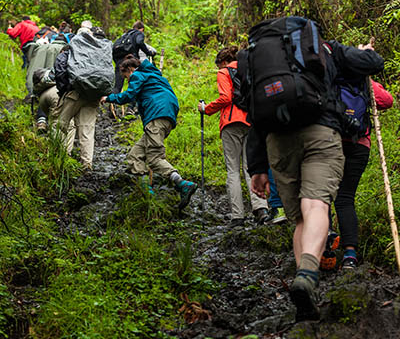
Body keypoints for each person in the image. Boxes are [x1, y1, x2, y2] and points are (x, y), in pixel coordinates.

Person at [247, 37, 384, 322]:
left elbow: (256, 111)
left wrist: (256, 165)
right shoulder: (329, 52)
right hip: (331, 135)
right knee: (322, 204)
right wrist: (365, 54)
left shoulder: (270, 65)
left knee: (301, 217)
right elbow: (379, 80)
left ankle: (305, 285)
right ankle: (324, 265)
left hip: (281, 139)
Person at [100, 55, 197, 210]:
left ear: (129, 70)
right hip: (167, 118)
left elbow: (128, 95)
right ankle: (147, 194)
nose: (127, 79)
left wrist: (109, 98)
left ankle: (182, 183)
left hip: (156, 116)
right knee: (135, 155)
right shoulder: (155, 76)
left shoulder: (137, 75)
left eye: (126, 77)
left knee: (154, 158)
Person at [198, 46, 280, 228]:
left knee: (233, 169)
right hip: (251, 122)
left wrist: (206, 109)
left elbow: (226, 98)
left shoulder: (224, 72)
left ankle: (238, 216)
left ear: (223, 62)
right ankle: (261, 209)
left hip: (231, 122)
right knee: (251, 167)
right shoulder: (249, 70)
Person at [330, 74, 393, 270]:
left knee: (322, 195)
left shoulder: (332, 77)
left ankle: (324, 245)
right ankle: (350, 254)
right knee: (345, 198)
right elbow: (387, 101)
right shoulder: (365, 81)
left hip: (332, 142)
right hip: (360, 144)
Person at [54, 27, 110, 170]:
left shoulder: (69, 51)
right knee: (87, 130)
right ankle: (87, 164)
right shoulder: (96, 52)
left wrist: (64, 90)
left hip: (75, 93)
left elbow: (60, 73)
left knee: (61, 124)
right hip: (93, 95)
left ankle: (61, 158)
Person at [112, 21, 156, 115]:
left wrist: (118, 64)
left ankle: (112, 109)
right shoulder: (138, 34)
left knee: (118, 86)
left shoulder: (124, 35)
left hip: (120, 61)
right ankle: (130, 109)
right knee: (135, 83)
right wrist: (148, 52)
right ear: (142, 29)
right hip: (131, 61)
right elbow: (139, 42)